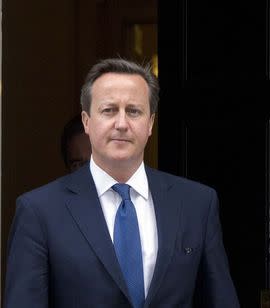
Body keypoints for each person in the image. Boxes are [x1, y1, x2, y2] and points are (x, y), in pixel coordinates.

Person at [4, 58, 240, 308]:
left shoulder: (197, 204)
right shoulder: (39, 211)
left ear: (150, 124)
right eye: (109, 110)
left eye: (134, 111)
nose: (121, 124)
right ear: (87, 121)